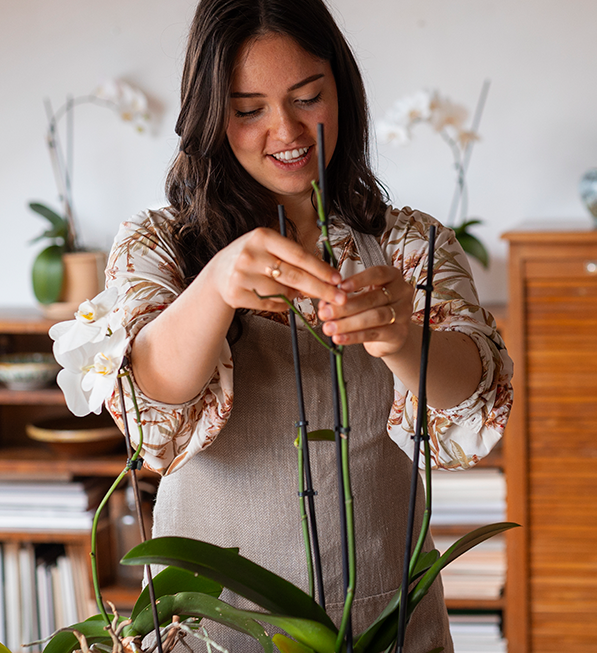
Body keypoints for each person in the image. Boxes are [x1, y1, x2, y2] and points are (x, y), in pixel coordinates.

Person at [99, 1, 512, 651]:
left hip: (381, 619)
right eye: (248, 109)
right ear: (210, 116)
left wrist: (403, 337)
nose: (286, 129)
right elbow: (149, 406)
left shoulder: (405, 242)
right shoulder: (161, 245)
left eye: (307, 96)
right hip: (212, 624)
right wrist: (217, 284)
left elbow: (472, 394)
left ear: (341, 88)